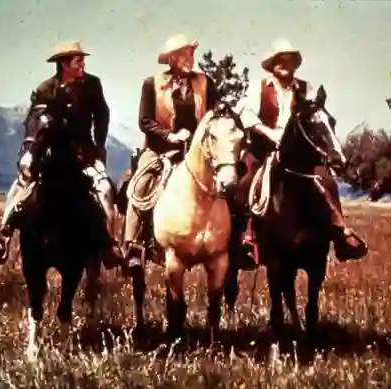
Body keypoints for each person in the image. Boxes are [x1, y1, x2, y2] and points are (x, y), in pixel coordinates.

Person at [0, 41, 123, 266]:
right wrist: (30, 152)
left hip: (83, 152)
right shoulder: (44, 90)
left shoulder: (92, 85)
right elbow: (34, 122)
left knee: (105, 188)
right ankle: (3, 234)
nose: (82, 64)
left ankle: (109, 245)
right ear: (64, 64)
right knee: (20, 186)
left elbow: (102, 116)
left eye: (82, 60)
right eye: (78, 61)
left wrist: (99, 147)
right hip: (49, 151)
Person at [233, 38, 368, 262]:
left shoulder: (306, 88)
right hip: (264, 147)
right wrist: (270, 133)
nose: (286, 65)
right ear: (273, 64)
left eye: (290, 60)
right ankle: (247, 235)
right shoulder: (260, 87)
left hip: (298, 151)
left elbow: (317, 116)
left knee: (326, 181)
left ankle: (341, 234)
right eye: (281, 60)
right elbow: (246, 115)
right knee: (246, 181)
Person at [123, 33, 220, 270]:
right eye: (185, 53)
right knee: (141, 183)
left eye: (191, 53)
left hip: (198, 153)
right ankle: (133, 244)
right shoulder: (152, 83)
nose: (190, 57)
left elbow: (215, 116)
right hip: (160, 150)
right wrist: (170, 136)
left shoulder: (206, 83)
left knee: (227, 183)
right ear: (172, 58)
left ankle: (233, 240)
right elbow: (144, 120)